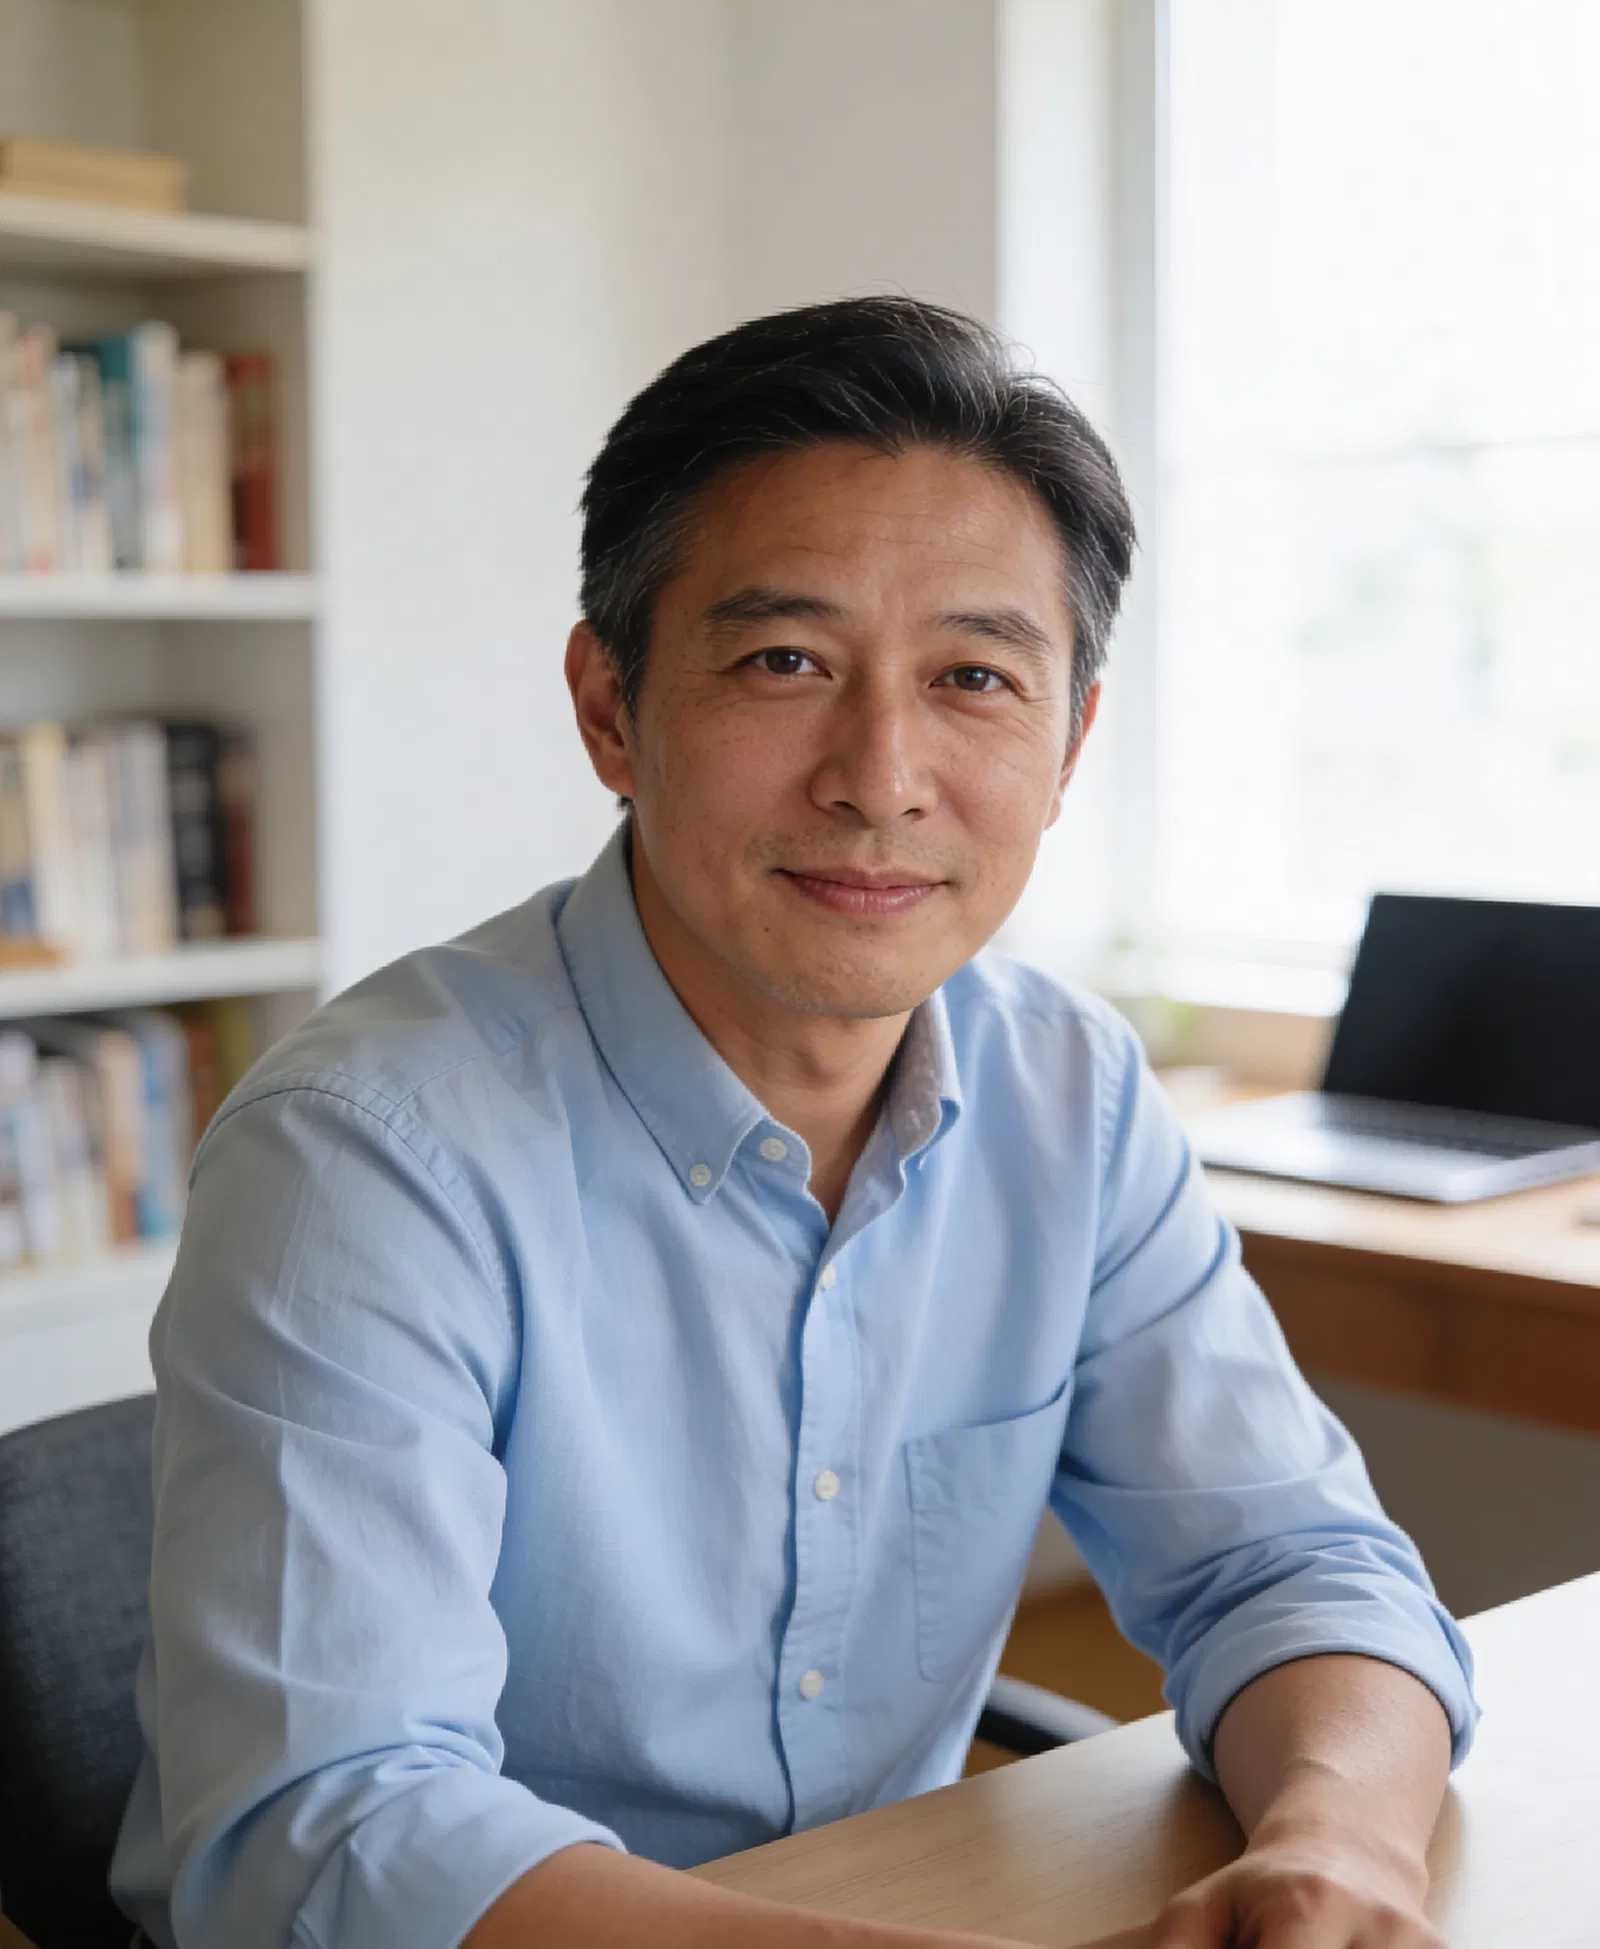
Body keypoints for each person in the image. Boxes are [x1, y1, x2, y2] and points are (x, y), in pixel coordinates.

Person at [113, 298, 1474, 1949]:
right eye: (785, 663)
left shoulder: (1075, 1096)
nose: (881, 776)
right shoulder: (366, 1153)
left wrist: (1341, 1847)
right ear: (610, 708)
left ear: (1070, 745)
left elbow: (1295, 1565)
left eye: (975, 678)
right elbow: (332, 1832)